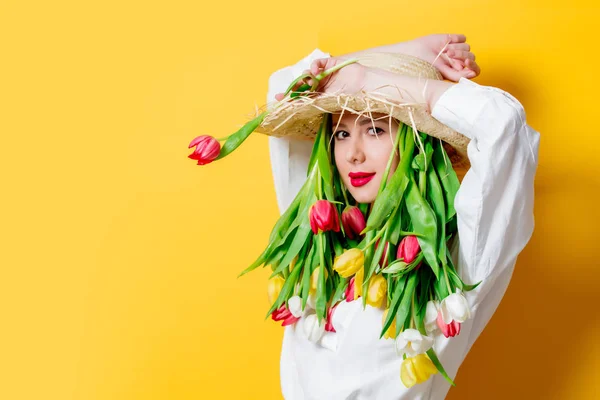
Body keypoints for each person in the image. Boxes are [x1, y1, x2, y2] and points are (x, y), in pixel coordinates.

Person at [265, 34, 541, 399]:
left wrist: (374, 84)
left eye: (376, 129)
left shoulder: (455, 261)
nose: (353, 155)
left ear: (418, 144)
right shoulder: (320, 233)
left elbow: (504, 126)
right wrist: (407, 53)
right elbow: (282, 90)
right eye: (342, 133)